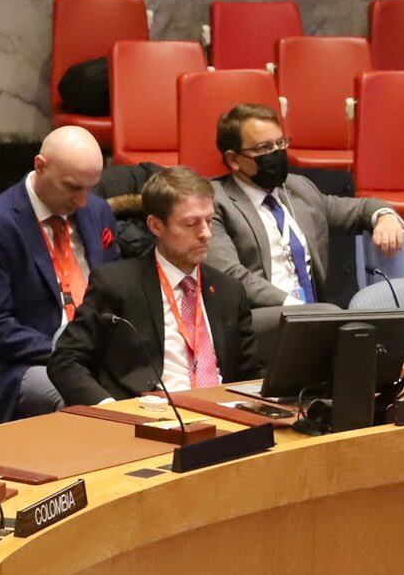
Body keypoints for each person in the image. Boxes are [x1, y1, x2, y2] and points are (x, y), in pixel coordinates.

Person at [50, 166, 259, 405]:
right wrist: (108, 409)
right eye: (191, 223)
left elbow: (250, 372)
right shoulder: (117, 285)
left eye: (209, 221)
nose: (205, 234)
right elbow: (65, 359)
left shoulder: (229, 290)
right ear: (156, 226)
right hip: (152, 419)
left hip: (227, 416)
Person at [0, 125, 121, 420]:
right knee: (81, 404)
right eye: (73, 187)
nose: (82, 201)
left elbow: (115, 290)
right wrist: (68, 353)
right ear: (40, 167)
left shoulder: (98, 212)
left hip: (92, 348)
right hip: (26, 360)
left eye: (91, 187)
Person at [208, 102, 404, 309]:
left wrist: (384, 215)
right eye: (264, 148)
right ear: (233, 160)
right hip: (259, 320)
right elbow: (229, 275)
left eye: (280, 143)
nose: (276, 153)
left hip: (313, 318)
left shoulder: (298, 188)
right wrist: (294, 305)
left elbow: (357, 209)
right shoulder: (216, 201)